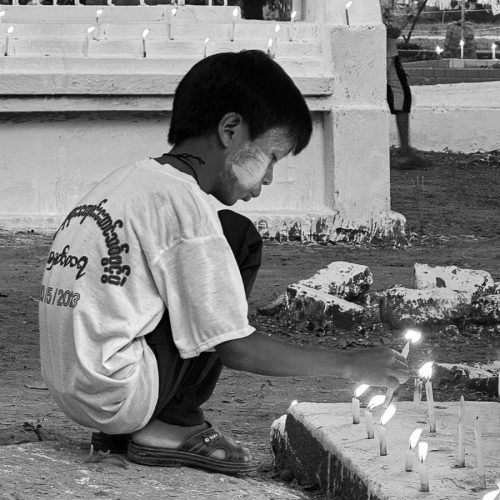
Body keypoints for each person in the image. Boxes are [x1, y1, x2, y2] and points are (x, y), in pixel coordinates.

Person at [39, 50, 408, 475]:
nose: (268, 177)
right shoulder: (182, 203)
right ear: (231, 129)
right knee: (237, 237)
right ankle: (173, 423)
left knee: (224, 235)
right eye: (271, 156)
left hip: (76, 388)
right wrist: (350, 363)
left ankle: (144, 422)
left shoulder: (127, 181)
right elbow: (234, 346)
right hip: (119, 393)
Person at [382, 1, 427, 169]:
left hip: (389, 54)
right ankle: (403, 150)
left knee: (402, 97)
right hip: (378, 54)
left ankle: (405, 149)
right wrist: (386, 29)